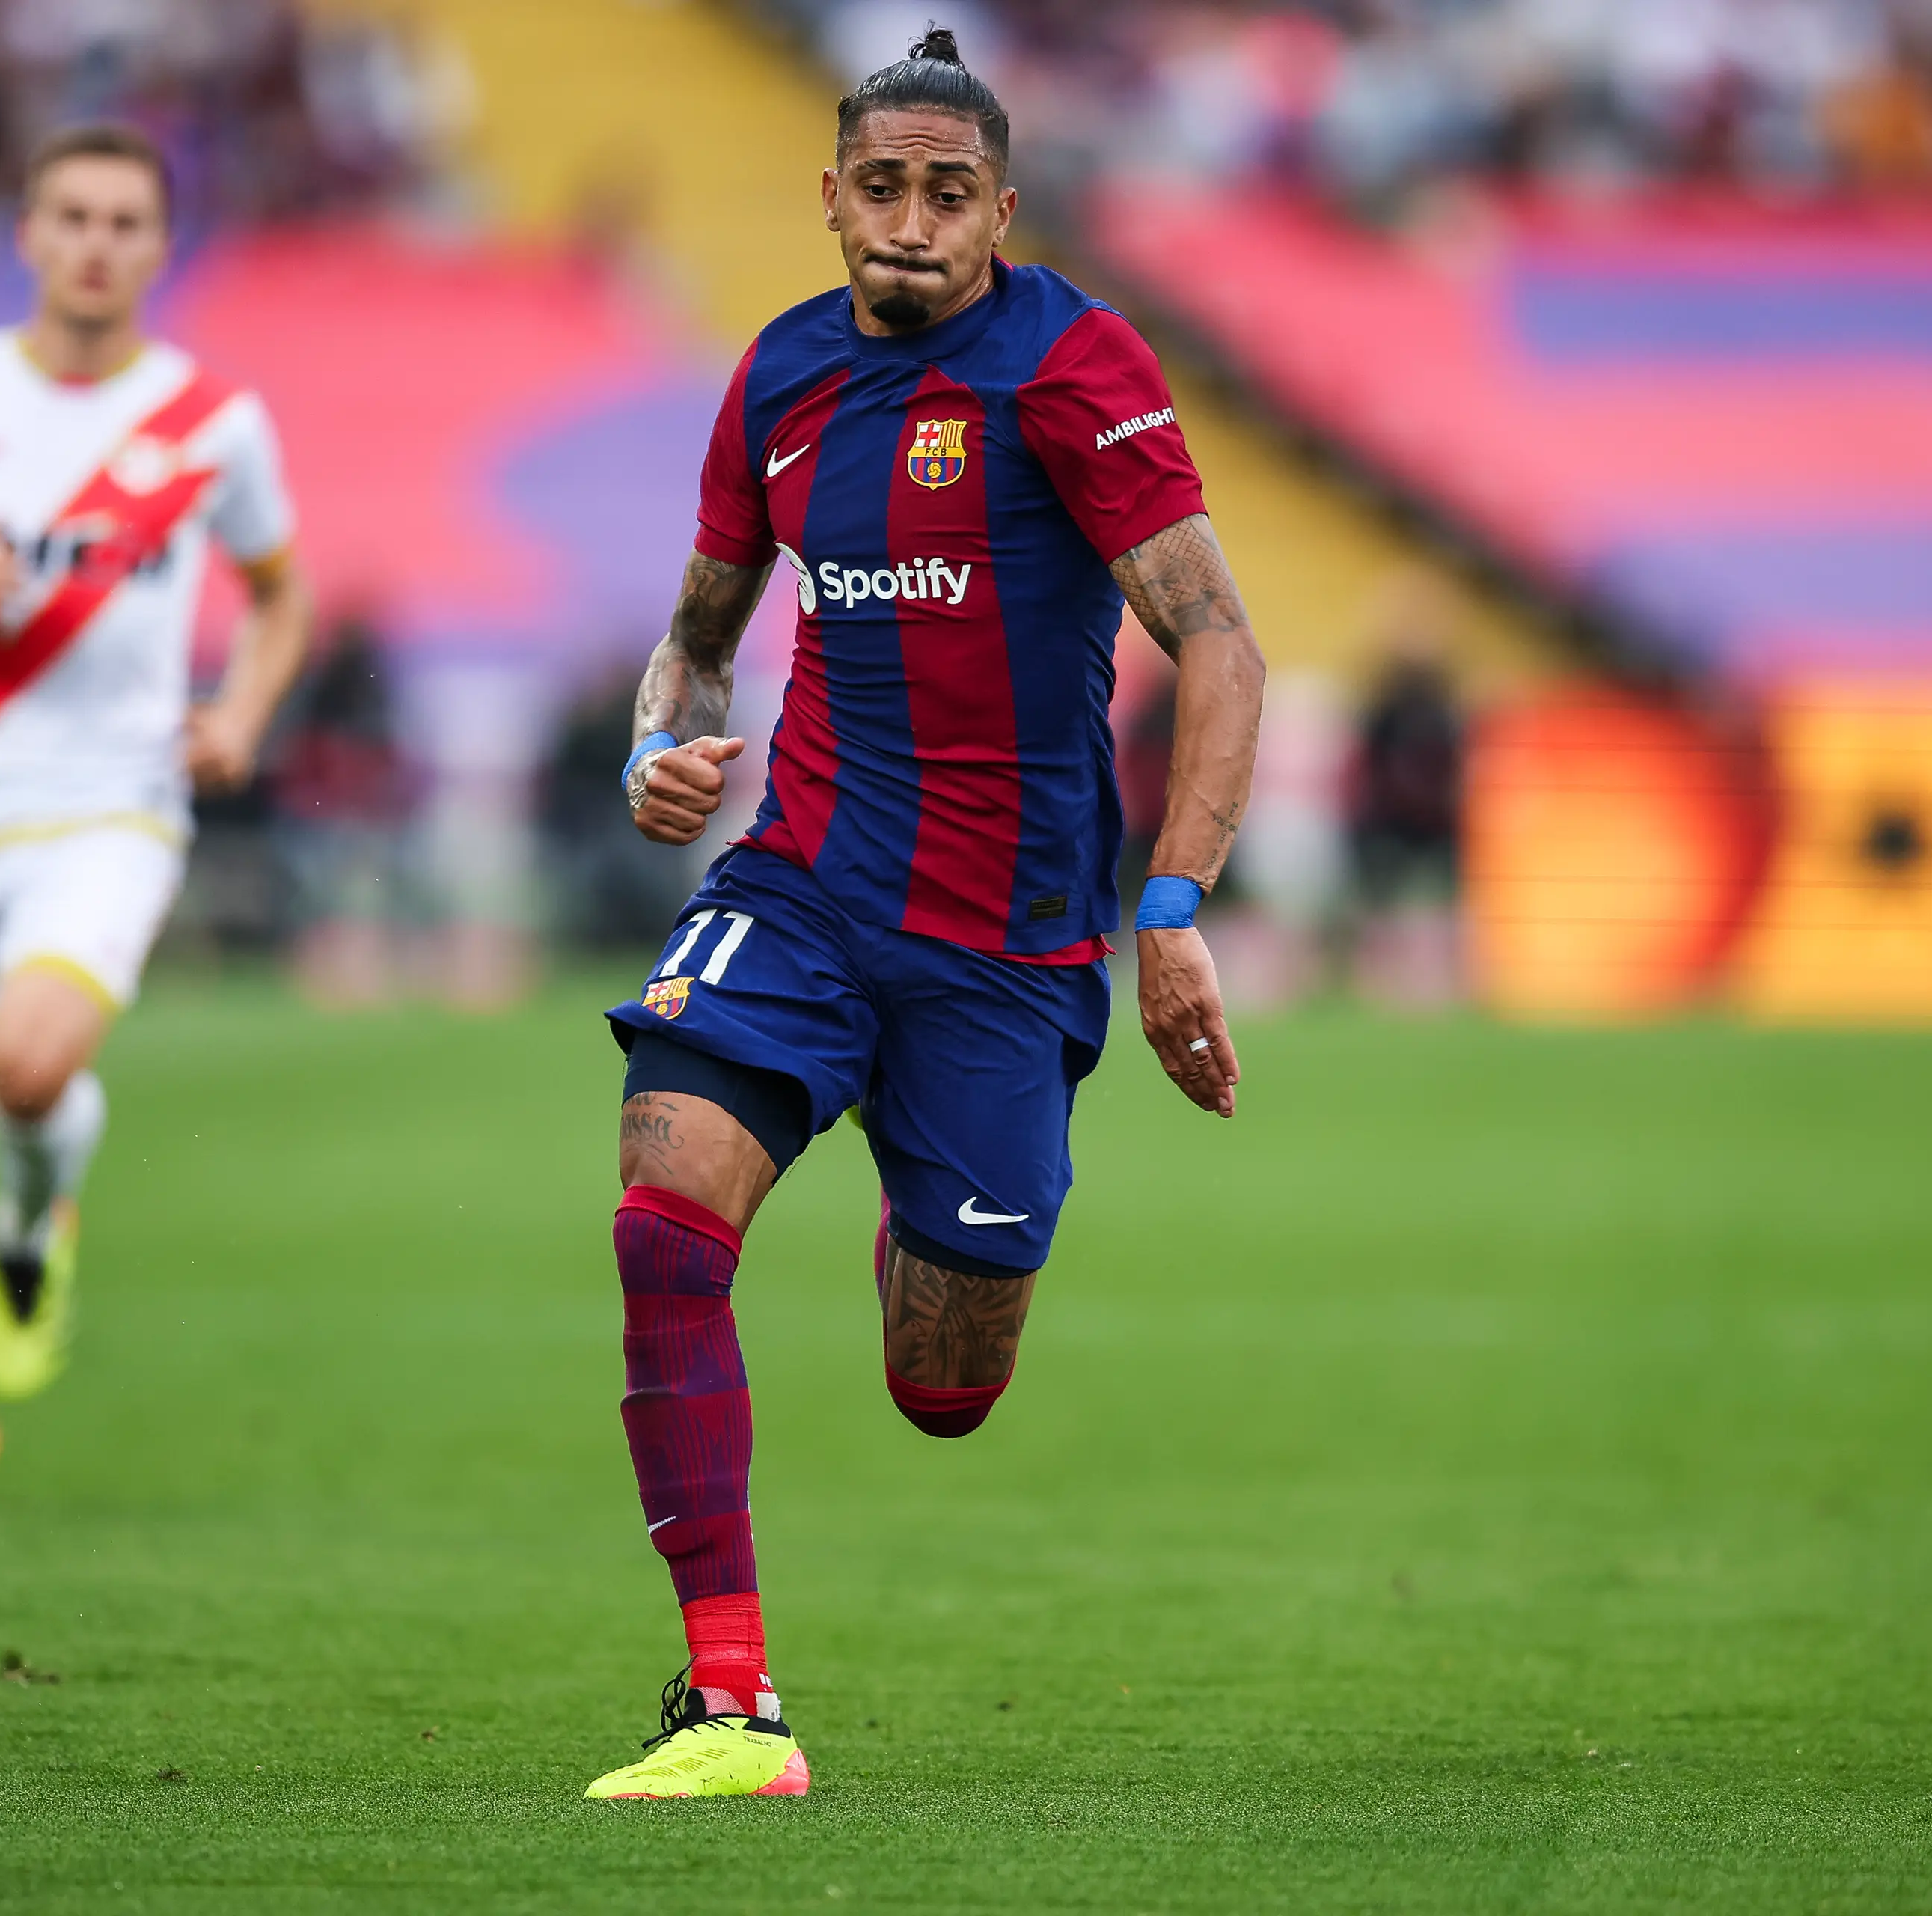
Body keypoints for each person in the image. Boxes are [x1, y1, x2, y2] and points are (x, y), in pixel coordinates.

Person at [584, 31, 1266, 1798]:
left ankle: (927, 1193)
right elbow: (698, 632)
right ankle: (732, 1704)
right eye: (878, 187)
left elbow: (1219, 638)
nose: (909, 220)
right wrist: (659, 742)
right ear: (828, 199)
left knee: (944, 1386)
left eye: (946, 192)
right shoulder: (778, 380)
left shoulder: (1072, 362)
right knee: (665, 1214)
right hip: (803, 886)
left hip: (1007, 944)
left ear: (1001, 213)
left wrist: (1172, 903)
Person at [0, 124, 311, 1517]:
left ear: (161, 247)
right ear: (26, 234)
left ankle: (33, 1224)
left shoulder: (211, 422)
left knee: (24, 1070)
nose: (95, 244)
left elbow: (282, 594)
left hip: (110, 803)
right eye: (71, 217)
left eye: (125, 222)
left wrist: (242, 712)